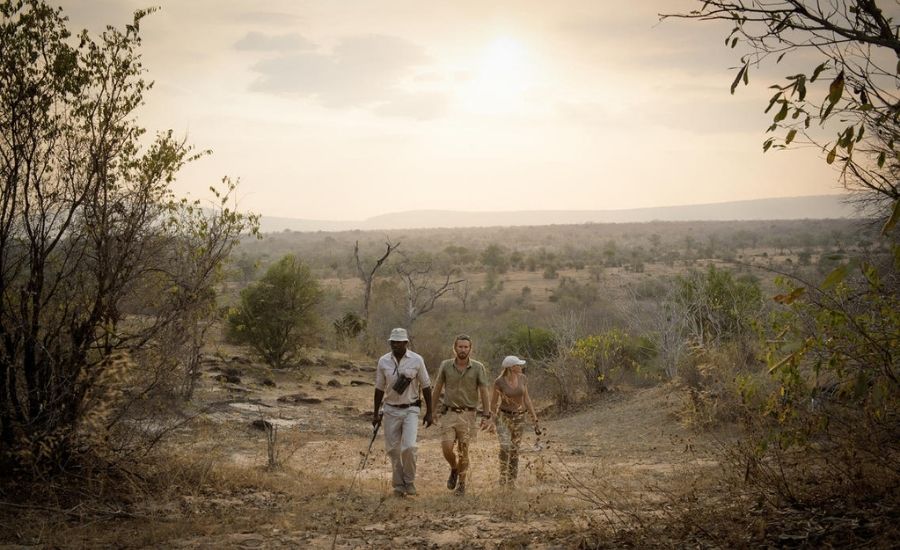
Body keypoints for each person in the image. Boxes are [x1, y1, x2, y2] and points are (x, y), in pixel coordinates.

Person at [373, 327, 433, 497]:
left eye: (400, 342)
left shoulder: (417, 360)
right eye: (393, 342)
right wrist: (375, 413)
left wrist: (430, 412)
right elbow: (379, 388)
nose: (396, 345)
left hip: (411, 409)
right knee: (393, 450)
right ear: (390, 343)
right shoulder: (383, 361)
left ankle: (410, 481)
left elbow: (427, 385)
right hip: (391, 409)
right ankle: (399, 485)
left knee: (409, 447)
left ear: (406, 342)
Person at [431, 334, 492, 496]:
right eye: (460, 346)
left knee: (464, 450)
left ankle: (462, 485)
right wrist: (431, 411)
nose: (463, 349)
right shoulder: (446, 365)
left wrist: (487, 414)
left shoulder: (478, 367)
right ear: (454, 348)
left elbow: (484, 391)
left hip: (468, 414)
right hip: (449, 412)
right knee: (446, 448)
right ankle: (454, 468)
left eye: (466, 347)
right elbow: (437, 388)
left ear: (470, 349)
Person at [490, 355, 540, 487]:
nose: (521, 367)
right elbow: (494, 403)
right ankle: (503, 475)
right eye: (518, 365)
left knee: (515, 449)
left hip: (519, 417)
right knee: (505, 446)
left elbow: (527, 399)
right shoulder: (499, 382)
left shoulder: (523, 378)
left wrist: (534, 417)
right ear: (511, 368)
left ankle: (512, 480)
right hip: (503, 417)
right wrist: (492, 419)